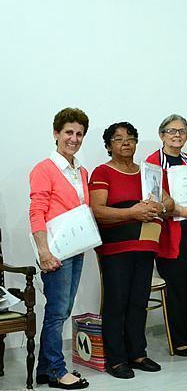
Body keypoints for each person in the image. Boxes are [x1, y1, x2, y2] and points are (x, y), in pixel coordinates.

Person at [90, 122, 173, 379]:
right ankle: (115, 359)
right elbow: (98, 211)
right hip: (116, 247)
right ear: (108, 146)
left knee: (138, 300)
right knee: (117, 302)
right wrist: (132, 212)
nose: (125, 142)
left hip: (146, 244)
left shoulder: (149, 171)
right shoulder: (102, 171)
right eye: (118, 139)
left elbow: (168, 201)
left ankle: (137, 353)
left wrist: (162, 205)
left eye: (130, 138)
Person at [29, 108, 91, 389]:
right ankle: (57, 370)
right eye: (68, 132)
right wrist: (43, 252)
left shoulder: (81, 171)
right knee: (56, 312)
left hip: (76, 248)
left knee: (61, 311)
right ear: (56, 134)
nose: (74, 138)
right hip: (54, 251)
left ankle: (44, 370)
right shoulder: (44, 169)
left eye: (79, 134)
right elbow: (37, 211)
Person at [146, 115, 187, 357]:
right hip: (169, 236)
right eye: (172, 131)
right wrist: (178, 210)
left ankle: (185, 334)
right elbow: (152, 199)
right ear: (162, 134)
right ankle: (177, 339)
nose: (177, 135)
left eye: (182, 131)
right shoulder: (152, 164)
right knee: (175, 287)